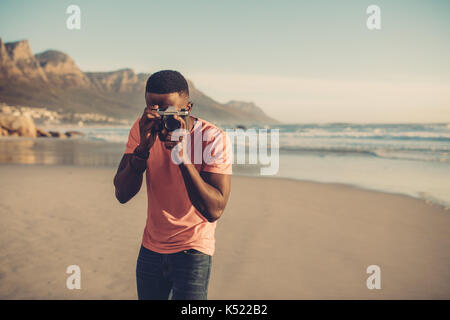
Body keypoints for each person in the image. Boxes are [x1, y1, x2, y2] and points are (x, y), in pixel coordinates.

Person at [113, 70, 232, 300]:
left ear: (188, 107)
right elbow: (122, 193)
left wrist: (182, 158)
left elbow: (214, 210)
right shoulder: (142, 130)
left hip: (194, 248)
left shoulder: (212, 138)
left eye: (168, 110)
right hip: (151, 247)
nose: (159, 117)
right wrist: (142, 149)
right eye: (153, 109)